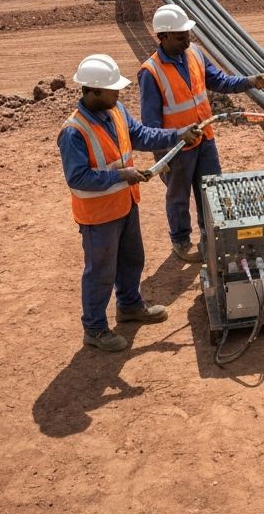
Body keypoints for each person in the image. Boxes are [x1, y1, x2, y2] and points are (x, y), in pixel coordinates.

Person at [58, 53, 203, 352]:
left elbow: (142, 135)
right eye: (112, 89)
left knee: (132, 259)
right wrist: (122, 175)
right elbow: (78, 178)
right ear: (92, 91)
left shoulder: (116, 111)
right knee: (100, 272)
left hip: (125, 205)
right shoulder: (73, 132)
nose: (119, 93)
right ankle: (95, 330)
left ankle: (129, 306)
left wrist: (178, 135)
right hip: (98, 217)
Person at [138, 3, 264, 263]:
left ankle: (210, 237)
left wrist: (249, 81)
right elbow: (151, 122)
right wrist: (162, 157)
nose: (187, 39)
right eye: (180, 37)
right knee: (178, 197)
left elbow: (219, 80)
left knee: (212, 192)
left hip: (205, 140)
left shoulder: (195, 54)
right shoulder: (151, 72)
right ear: (162, 37)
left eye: (188, 34)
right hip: (176, 148)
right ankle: (181, 240)